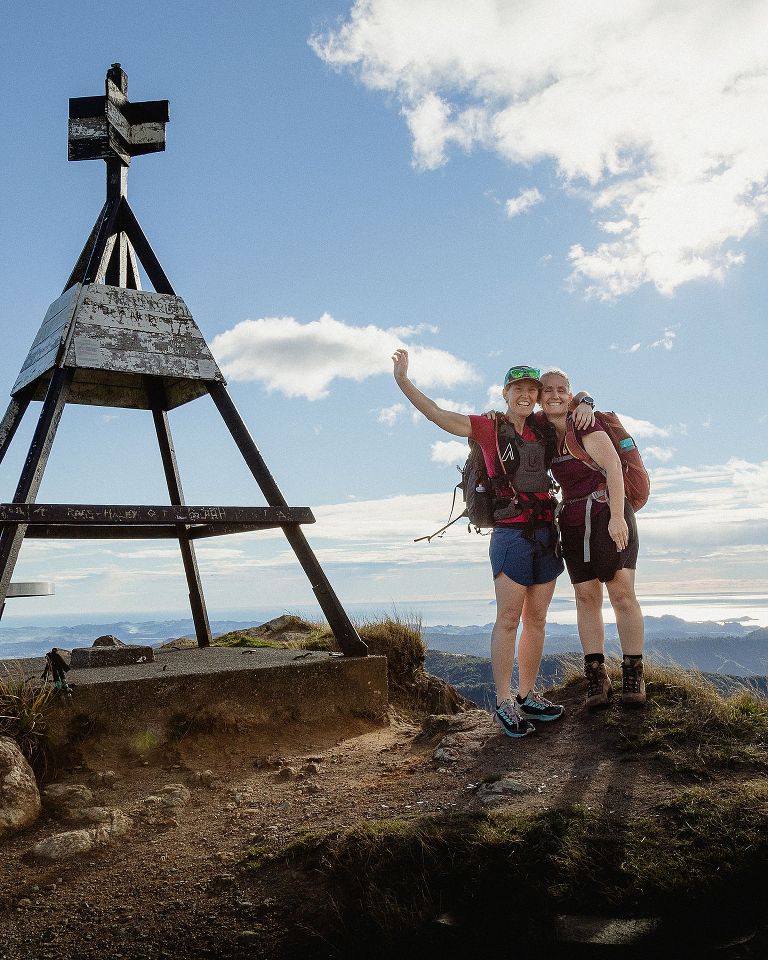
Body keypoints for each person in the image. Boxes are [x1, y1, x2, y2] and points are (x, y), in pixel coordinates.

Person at [392, 349, 594, 737]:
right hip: (511, 536)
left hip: (546, 534)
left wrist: (584, 399)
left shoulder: (540, 427)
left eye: (531, 389)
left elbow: (569, 397)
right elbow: (439, 415)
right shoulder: (489, 428)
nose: (526, 395)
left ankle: (527, 695)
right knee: (508, 619)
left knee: (536, 620)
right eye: (518, 388)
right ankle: (504, 702)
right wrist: (403, 381)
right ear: (505, 392)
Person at [539, 368, 646, 708]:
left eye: (561, 389)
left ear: (568, 394)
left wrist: (617, 517)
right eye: (547, 390)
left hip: (607, 512)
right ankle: (597, 676)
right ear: (540, 397)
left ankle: (633, 673)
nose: (554, 394)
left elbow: (613, 467)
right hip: (572, 520)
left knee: (621, 594)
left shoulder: (584, 423)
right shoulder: (544, 432)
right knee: (586, 597)